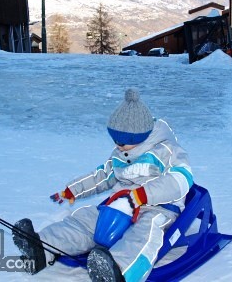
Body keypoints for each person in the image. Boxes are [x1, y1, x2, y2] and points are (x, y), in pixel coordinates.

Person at [13, 88, 193, 282]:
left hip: (157, 208)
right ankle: (41, 248)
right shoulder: (120, 154)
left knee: (143, 234)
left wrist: (144, 195)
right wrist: (73, 190)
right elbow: (102, 176)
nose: (117, 146)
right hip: (120, 206)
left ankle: (119, 273)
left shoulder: (165, 150)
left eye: (122, 142)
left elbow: (181, 179)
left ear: (138, 136)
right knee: (85, 220)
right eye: (115, 140)